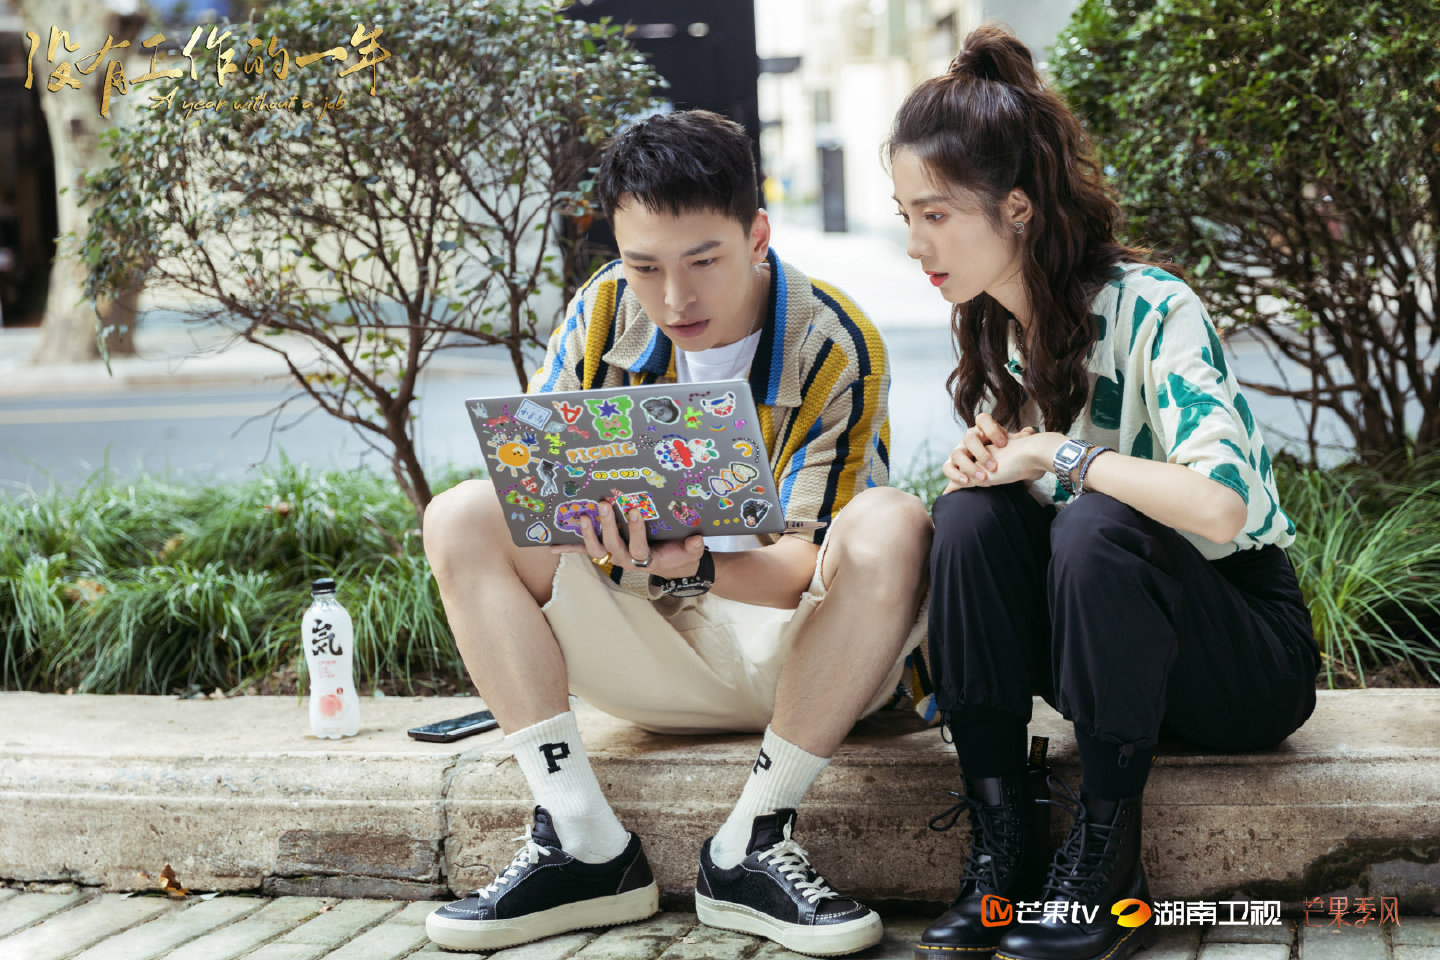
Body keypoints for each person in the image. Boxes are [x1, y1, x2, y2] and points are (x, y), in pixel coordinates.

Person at [422, 109, 931, 956]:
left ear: (757, 235)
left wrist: (695, 566)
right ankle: (581, 841)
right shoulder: (603, 311)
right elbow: (535, 493)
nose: (674, 299)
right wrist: (602, 534)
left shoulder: (833, 344)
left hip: (801, 657)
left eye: (703, 261)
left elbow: (808, 564)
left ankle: (753, 846)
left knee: (894, 522)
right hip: (643, 647)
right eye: (644, 266)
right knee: (462, 514)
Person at [887, 25, 1320, 960]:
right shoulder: (1003, 332)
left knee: (1096, 527)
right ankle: (1004, 845)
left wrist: (1059, 456)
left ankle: (1108, 865)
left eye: (935, 214)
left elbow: (1221, 507)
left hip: (1241, 659)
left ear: (1015, 208)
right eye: (905, 215)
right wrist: (999, 463)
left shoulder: (1156, 308)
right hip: (1116, 658)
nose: (916, 242)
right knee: (968, 518)